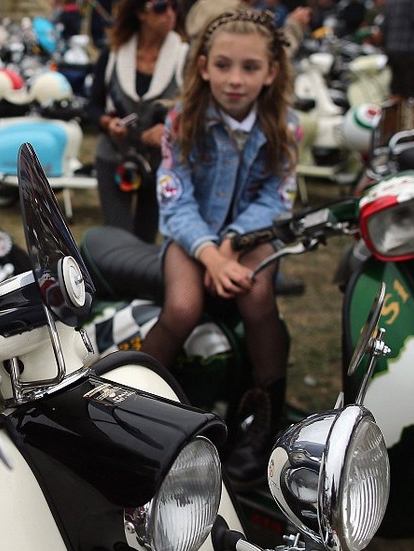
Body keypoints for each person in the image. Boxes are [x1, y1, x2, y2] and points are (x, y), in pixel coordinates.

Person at [140, 8, 298, 488]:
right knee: (183, 307)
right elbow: (174, 196)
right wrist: (210, 252)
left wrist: (232, 243)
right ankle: (135, 396)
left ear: (271, 73)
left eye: (250, 68)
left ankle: (264, 421)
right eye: (223, 65)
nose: (235, 79)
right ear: (204, 65)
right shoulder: (182, 119)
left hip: (248, 237)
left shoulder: (284, 126)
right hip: (191, 237)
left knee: (257, 298)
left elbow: (276, 198)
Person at [87, 0, 189, 244]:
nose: (170, 14)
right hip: (114, 156)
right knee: (116, 238)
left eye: (175, 7)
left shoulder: (185, 56)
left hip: (160, 163)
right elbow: (92, 106)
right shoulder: (113, 52)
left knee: (145, 242)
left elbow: (195, 110)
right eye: (161, 7)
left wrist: (169, 128)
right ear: (141, 13)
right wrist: (107, 123)